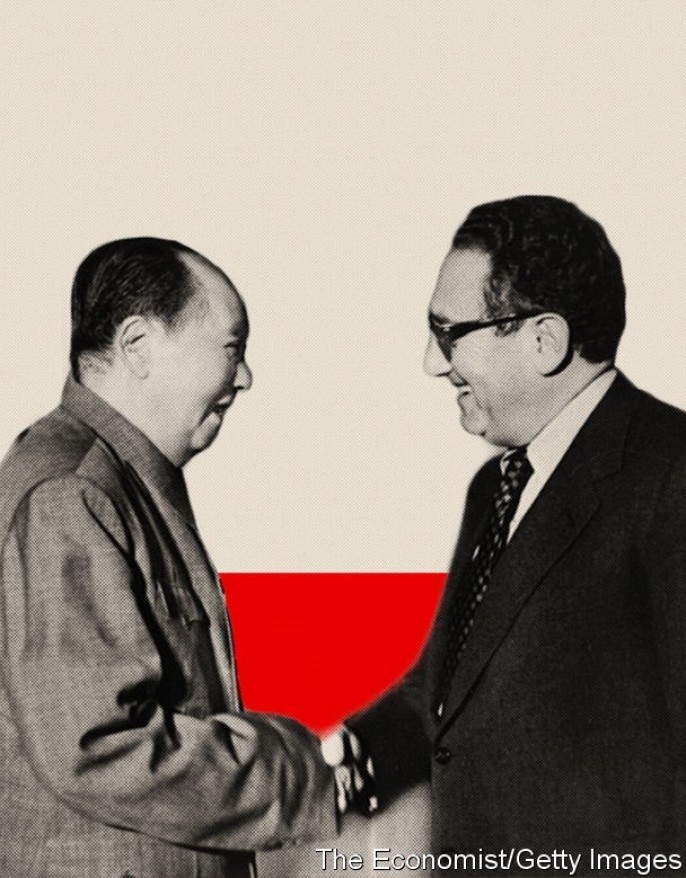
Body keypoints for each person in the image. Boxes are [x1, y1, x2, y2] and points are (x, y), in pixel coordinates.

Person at [329, 196, 686, 868]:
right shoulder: (494, 487)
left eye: (449, 334)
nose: (433, 363)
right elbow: (447, 691)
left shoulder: (672, 472)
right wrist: (323, 763)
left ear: (544, 341)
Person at [0, 238, 335, 878]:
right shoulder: (71, 492)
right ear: (137, 346)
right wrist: (301, 773)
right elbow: (98, 745)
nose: (245, 377)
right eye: (231, 347)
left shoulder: (111, 482)